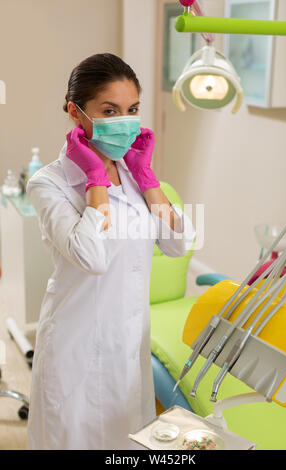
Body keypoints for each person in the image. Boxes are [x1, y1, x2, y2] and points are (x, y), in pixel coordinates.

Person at [26, 53, 196, 450]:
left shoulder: (135, 173)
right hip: (77, 343)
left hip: (128, 342)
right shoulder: (48, 183)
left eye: (132, 109)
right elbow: (92, 258)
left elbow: (177, 244)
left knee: (125, 444)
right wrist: (95, 179)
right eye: (110, 110)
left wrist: (147, 177)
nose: (125, 120)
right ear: (76, 112)